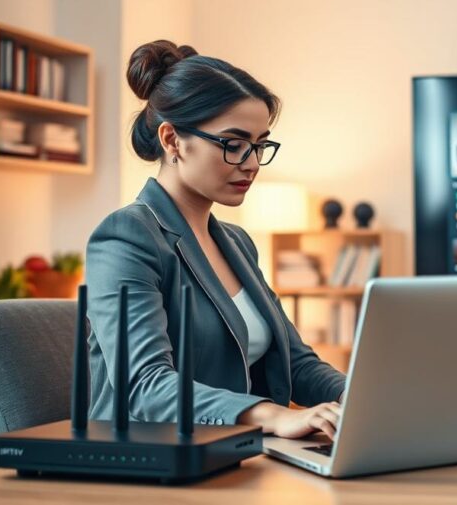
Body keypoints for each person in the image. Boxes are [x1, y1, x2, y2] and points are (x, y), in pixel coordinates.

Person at [85, 41, 345, 440]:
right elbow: (145, 385)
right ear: (172, 140)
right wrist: (273, 416)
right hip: (153, 458)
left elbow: (296, 364)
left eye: (259, 145)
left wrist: (362, 398)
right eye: (234, 144)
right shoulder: (126, 237)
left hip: (233, 453)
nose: (253, 163)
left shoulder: (237, 243)